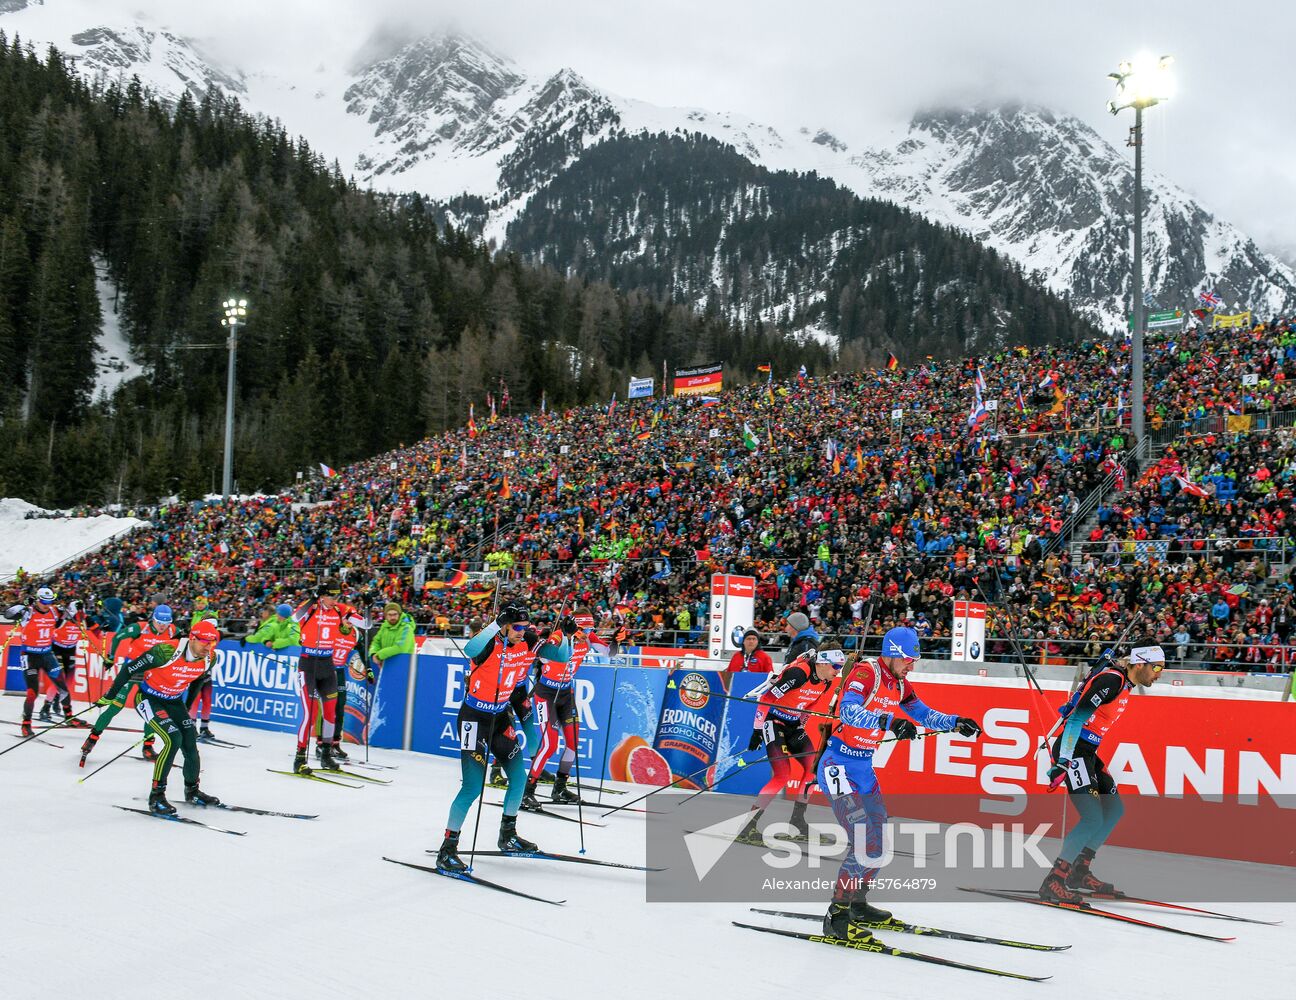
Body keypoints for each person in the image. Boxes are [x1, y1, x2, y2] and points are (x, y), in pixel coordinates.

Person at [817, 626, 981, 941]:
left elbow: (921, 712)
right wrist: (889, 722)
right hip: (838, 766)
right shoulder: (867, 673)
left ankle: (858, 904)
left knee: (878, 840)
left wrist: (955, 722)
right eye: (908, 659)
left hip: (863, 767)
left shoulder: (899, 682)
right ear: (892, 653)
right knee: (863, 840)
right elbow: (848, 712)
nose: (912, 665)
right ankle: (836, 917)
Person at [434, 604, 571, 873]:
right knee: (472, 788)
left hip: (500, 718)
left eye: (525, 627)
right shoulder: (488, 645)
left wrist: (564, 634)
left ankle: (507, 835)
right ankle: (447, 849)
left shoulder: (527, 642)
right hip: (475, 718)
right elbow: (471, 650)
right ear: (506, 626)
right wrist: (496, 624)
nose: (522, 632)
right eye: (517, 627)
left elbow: (561, 657)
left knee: (519, 777)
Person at [1038, 638, 1165, 903]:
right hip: (1074, 752)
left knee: (1114, 809)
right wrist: (1062, 761)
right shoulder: (1112, 681)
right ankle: (1055, 880)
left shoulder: (1126, 684)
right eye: (1156, 667)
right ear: (1140, 663)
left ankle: (1078, 871)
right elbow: (1075, 720)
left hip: (1088, 752)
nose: (1159, 673)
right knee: (1092, 817)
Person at [98, 618, 222, 815]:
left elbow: (198, 681)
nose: (208, 647)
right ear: (192, 638)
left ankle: (193, 791)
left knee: (190, 739)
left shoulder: (210, 658)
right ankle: (156, 796)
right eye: (204, 642)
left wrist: (186, 709)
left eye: (212, 642)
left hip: (173, 701)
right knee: (173, 739)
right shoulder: (165, 651)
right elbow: (130, 669)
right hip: (148, 698)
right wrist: (110, 696)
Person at [737, 638, 845, 843]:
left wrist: (801, 725)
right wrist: (757, 730)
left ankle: (798, 822)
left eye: (840, 667)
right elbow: (767, 698)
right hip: (774, 722)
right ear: (822, 662)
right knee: (782, 775)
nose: (838, 671)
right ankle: (748, 827)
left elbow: (810, 705)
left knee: (814, 768)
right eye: (835, 666)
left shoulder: (825, 681)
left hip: (793, 724)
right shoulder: (799, 674)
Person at [80, 603, 177, 761]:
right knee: (116, 707)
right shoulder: (140, 628)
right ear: (153, 619)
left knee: (151, 711)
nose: (162, 627)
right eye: (159, 622)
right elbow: (118, 637)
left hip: (151, 674)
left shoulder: (173, 631)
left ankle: (147, 747)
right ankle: (92, 739)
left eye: (165, 624)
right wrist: (111, 657)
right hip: (132, 670)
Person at [291, 578, 368, 774]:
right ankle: (300, 758)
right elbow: (294, 617)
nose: (335, 599)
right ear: (322, 595)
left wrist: (368, 605)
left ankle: (326, 754)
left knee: (331, 714)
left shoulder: (341, 610)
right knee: (309, 715)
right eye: (331, 595)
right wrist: (312, 599)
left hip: (327, 664)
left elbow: (366, 624)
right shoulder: (310, 608)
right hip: (308, 664)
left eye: (337, 596)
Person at [522, 610, 585, 808]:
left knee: (573, 743)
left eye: (590, 629)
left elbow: (609, 652)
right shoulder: (558, 636)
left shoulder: (586, 638)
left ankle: (559, 788)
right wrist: (564, 637)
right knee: (549, 745)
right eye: (584, 628)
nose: (587, 633)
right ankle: (527, 790)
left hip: (567, 694)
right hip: (546, 695)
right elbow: (546, 657)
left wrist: (617, 639)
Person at [4, 588, 77, 736]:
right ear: (37, 599)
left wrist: (67, 609)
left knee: (62, 686)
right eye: (44, 601)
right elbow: (7, 614)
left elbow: (72, 614)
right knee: (32, 692)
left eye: (50, 601)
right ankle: (26, 724)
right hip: (29, 656)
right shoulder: (28, 612)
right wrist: (22, 605)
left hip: (47, 654)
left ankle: (69, 717)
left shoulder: (54, 611)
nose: (47, 605)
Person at [44, 599, 85, 719]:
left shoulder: (83, 617)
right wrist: (62, 612)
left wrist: (102, 629)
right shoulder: (63, 615)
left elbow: (95, 628)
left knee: (69, 681)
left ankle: (57, 699)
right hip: (57, 648)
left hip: (70, 649)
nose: (80, 617)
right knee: (59, 678)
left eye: (81, 614)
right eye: (77, 614)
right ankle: (46, 706)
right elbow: (53, 617)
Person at [188, 601, 221, 740]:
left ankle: (204, 727)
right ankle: (191, 726)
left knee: (207, 699)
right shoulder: (197, 634)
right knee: (195, 698)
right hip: (196, 669)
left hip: (206, 670)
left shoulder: (215, 635)